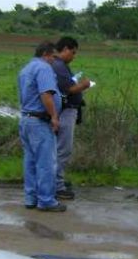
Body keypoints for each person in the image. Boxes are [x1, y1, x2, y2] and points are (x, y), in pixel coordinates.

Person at [18, 41, 65, 212]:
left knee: (30, 161)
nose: (54, 61)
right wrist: (54, 116)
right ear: (45, 54)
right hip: (39, 121)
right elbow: (46, 94)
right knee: (45, 163)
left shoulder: (25, 69)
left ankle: (31, 198)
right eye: (53, 57)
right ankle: (46, 200)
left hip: (26, 119)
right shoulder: (44, 68)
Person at [51, 37, 92, 200]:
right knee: (63, 149)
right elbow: (68, 89)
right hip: (66, 110)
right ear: (66, 49)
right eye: (73, 52)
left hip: (66, 110)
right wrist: (84, 85)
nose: (74, 56)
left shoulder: (60, 66)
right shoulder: (59, 66)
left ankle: (56, 181)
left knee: (59, 149)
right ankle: (57, 185)